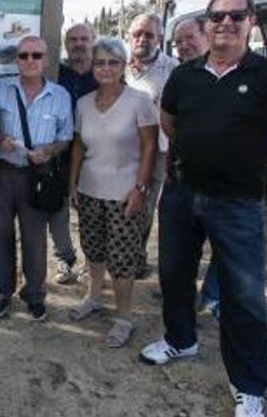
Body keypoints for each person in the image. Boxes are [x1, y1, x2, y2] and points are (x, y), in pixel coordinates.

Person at [139, 0, 267, 417]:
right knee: (174, 275)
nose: (225, 24)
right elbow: (170, 122)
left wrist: (250, 164)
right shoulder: (186, 75)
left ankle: (249, 387)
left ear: (250, 21)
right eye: (217, 16)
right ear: (207, 23)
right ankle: (181, 340)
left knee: (243, 296)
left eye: (236, 16)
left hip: (237, 203)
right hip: (180, 194)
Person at [67, 37, 158, 347]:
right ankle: (93, 297)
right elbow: (78, 145)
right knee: (93, 249)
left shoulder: (139, 100)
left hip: (124, 194)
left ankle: (124, 317)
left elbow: (150, 147)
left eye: (112, 63)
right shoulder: (83, 103)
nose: (105, 68)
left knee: (121, 259)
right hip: (90, 190)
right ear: (92, 67)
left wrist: (141, 189)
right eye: (100, 62)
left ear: (123, 66)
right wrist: (73, 184)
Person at [0, 35, 73, 322]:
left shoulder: (60, 96)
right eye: (24, 56)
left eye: (37, 55)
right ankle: (2, 291)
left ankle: (35, 294)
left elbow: (65, 138)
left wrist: (48, 150)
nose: (30, 61)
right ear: (16, 60)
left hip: (38, 176)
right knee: (1, 234)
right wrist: (0, 138)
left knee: (35, 239)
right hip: (3, 172)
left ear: (47, 59)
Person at [125, 13, 179, 280]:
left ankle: (137, 255)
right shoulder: (116, 63)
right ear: (129, 36)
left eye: (149, 35)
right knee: (119, 199)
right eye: (137, 33)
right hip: (121, 148)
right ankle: (121, 251)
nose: (142, 39)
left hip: (156, 150)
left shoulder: (172, 69)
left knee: (144, 204)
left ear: (159, 38)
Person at [172, 16, 219, 316]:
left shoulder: (232, 74)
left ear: (207, 36)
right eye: (178, 42)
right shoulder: (180, 76)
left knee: (226, 244)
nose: (184, 46)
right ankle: (184, 303)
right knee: (183, 248)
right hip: (184, 178)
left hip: (228, 182)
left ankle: (213, 295)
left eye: (189, 38)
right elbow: (168, 121)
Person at [52, 23, 98, 284]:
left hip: (95, 152)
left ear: (93, 40)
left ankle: (91, 262)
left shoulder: (104, 71)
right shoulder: (56, 73)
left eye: (84, 38)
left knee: (90, 210)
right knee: (57, 208)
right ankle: (65, 258)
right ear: (66, 44)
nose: (78, 43)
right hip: (60, 151)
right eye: (73, 39)